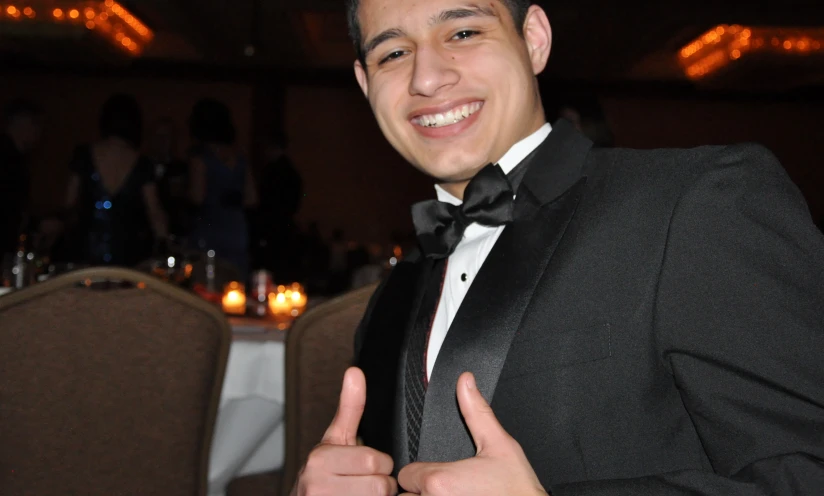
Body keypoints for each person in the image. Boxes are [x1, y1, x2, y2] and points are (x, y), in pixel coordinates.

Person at [293, 0, 824, 495]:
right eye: (394, 53)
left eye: (463, 32)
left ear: (534, 39)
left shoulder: (697, 202)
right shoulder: (389, 299)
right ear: (365, 83)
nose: (427, 77)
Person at [61, 94, 167, 267]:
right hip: (129, 253)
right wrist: (164, 244)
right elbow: (154, 211)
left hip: (85, 250)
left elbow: (68, 203)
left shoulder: (83, 155)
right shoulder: (142, 163)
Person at [187, 98, 258, 280]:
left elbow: (197, 197)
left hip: (210, 227)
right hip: (235, 227)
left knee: (207, 281)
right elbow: (252, 198)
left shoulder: (200, 159)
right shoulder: (240, 158)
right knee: (235, 281)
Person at [0, 99, 41, 256]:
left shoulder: (17, 159)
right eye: (36, 125)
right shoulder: (7, 159)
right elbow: (9, 208)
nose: (39, 133)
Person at [146, 117, 190, 241]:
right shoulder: (141, 168)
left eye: (166, 137)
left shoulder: (182, 169)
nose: (161, 141)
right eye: (158, 137)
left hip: (175, 233)